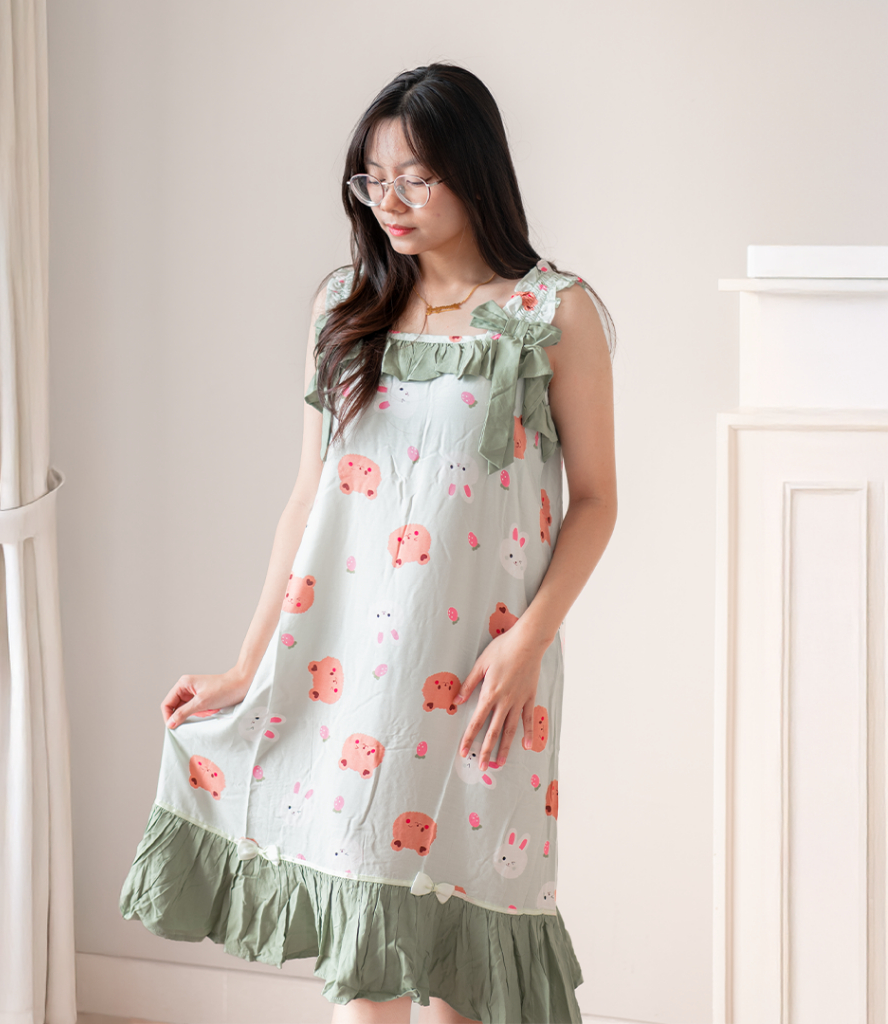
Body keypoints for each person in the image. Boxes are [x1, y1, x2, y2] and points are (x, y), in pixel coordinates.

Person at [119, 62, 617, 1024]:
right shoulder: (344, 308)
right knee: (368, 946)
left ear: (475, 171)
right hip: (347, 670)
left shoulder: (552, 313)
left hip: (486, 674)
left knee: (468, 949)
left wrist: (530, 641)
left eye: (414, 179)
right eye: (371, 179)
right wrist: (246, 666)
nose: (387, 202)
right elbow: (308, 498)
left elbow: (595, 501)